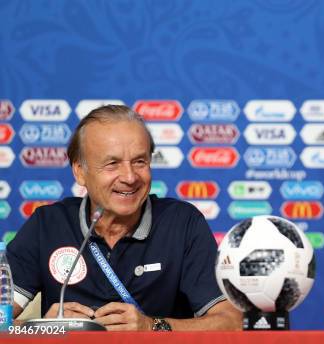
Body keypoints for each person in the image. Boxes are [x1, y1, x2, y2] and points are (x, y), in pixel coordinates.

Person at [7, 105, 242, 331]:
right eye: (112, 164)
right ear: (80, 171)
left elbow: (231, 322)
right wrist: (43, 329)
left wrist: (153, 328)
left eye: (140, 161)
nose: (130, 177)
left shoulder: (182, 223)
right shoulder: (47, 224)